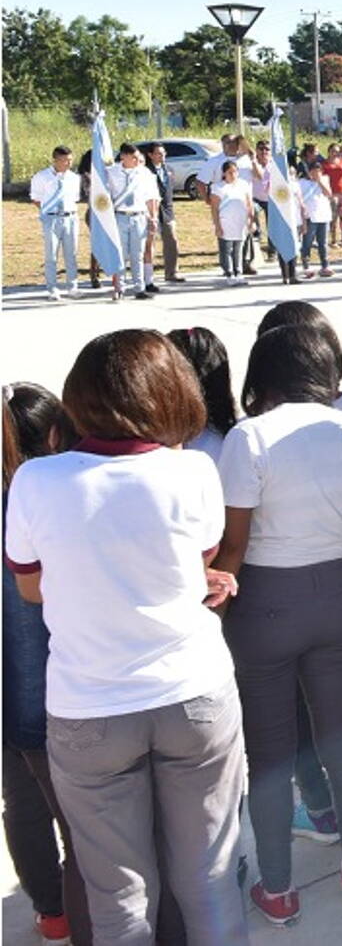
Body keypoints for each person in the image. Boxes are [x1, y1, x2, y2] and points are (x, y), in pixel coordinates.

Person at [5, 330, 250, 943]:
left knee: (118, 894)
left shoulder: (36, 482)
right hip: (193, 696)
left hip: (88, 710)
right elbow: (189, 563)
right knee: (210, 874)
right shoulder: (193, 470)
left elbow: (31, 590)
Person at [214, 324, 342, 924]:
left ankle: (280, 888)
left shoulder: (248, 436)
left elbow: (234, 544)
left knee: (270, 752)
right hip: (339, 590)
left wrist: (216, 612)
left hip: (264, 598)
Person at [3, 383, 84, 946]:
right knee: (86, 819)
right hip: (69, 693)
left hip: (8, 702)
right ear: (57, 434)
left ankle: (53, 912)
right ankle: (87, 914)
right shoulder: (63, 499)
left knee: (23, 806)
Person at [106, 142, 160, 300]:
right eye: (133, 157)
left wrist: (153, 217)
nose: (137, 161)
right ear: (123, 156)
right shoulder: (111, 172)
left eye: (138, 158)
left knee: (138, 253)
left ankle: (139, 287)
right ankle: (119, 287)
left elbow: (151, 197)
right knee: (120, 254)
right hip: (120, 215)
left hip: (139, 215)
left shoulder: (144, 173)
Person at [30, 146, 81, 300]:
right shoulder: (42, 176)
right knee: (51, 255)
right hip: (51, 218)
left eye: (70, 160)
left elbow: (75, 198)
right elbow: (36, 198)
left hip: (70, 217)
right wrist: (48, 211)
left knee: (71, 254)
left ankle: (73, 286)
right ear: (56, 160)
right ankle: (52, 288)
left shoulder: (73, 177)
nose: (68, 163)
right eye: (65, 160)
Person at [142, 143, 181, 286]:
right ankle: (146, 275)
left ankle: (172, 272)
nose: (162, 156)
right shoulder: (145, 171)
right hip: (150, 210)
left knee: (172, 240)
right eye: (158, 153)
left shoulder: (169, 169)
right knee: (148, 243)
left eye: (164, 153)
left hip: (167, 211)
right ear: (150, 155)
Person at [297, 161, 335, 279]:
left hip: (323, 216)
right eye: (313, 171)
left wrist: (319, 181)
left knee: (323, 243)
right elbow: (301, 199)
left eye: (318, 171)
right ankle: (306, 266)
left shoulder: (325, 179)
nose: (316, 173)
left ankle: (325, 265)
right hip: (310, 216)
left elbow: (329, 194)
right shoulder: (302, 183)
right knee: (307, 242)